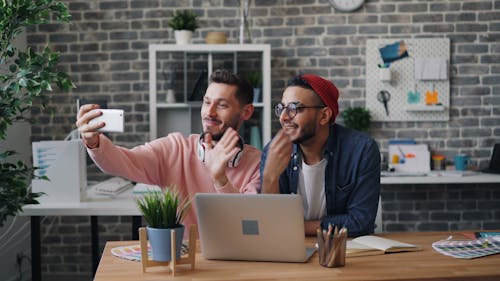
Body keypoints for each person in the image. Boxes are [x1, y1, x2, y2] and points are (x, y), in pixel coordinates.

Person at [76, 69, 261, 229]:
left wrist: (220, 180)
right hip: (185, 260)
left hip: (235, 264)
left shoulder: (257, 163)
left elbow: (249, 222)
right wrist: (94, 142)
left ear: (246, 112)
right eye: (206, 102)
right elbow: (122, 162)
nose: (209, 112)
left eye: (221, 105)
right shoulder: (175, 149)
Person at [260, 74, 380, 238]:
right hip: (288, 246)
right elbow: (268, 224)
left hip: (344, 249)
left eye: (294, 108)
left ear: (324, 116)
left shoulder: (361, 150)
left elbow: (361, 222)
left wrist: (296, 227)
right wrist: (269, 178)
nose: (283, 117)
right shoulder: (274, 152)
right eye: (281, 108)